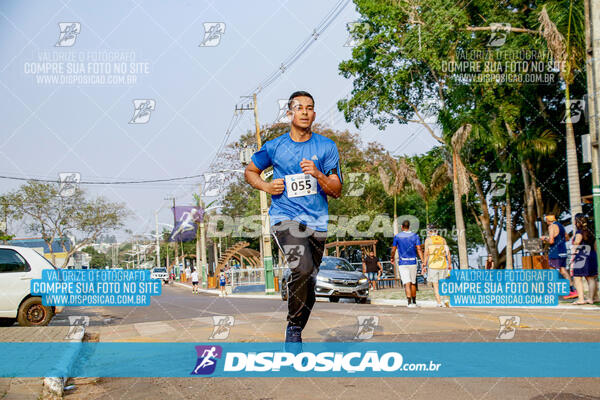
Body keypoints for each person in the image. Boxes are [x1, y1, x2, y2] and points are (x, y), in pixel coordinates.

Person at [245, 90, 342, 345]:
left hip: (317, 222)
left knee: (308, 278)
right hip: (284, 218)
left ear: (314, 114)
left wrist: (319, 175)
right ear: (290, 113)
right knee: (303, 267)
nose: (305, 112)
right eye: (299, 108)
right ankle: (294, 329)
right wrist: (266, 187)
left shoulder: (326, 147)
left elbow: (337, 190)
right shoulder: (275, 146)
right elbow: (251, 171)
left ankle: (296, 312)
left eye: (309, 108)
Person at [390, 220, 424, 308]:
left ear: (402, 227)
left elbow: (393, 249)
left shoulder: (397, 236)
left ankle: (409, 302)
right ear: (409, 227)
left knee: (406, 283)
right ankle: (414, 302)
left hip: (403, 262)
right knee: (413, 282)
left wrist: (392, 257)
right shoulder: (415, 236)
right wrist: (423, 260)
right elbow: (419, 249)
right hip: (413, 261)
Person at [542, 215, 577, 298]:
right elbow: (567, 238)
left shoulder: (551, 226)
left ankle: (552, 292)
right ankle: (572, 290)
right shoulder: (561, 226)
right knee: (563, 270)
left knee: (552, 270)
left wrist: (544, 238)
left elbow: (551, 241)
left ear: (547, 220)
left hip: (555, 251)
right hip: (563, 250)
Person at [569, 214, 599, 305]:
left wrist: (573, 252)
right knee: (590, 277)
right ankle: (591, 298)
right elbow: (595, 246)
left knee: (577, 277)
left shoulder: (579, 232)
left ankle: (581, 299)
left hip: (582, 255)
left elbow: (577, 242)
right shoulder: (591, 231)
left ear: (577, 222)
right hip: (592, 254)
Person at [423, 224, 452, 307]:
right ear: (437, 231)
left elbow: (426, 253)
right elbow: (448, 253)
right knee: (442, 283)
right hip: (443, 264)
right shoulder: (443, 240)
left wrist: (424, 264)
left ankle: (439, 303)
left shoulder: (428, 240)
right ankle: (445, 299)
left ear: (430, 231)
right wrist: (449, 264)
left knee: (435, 285)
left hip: (433, 265)